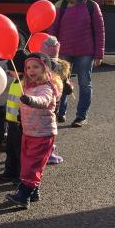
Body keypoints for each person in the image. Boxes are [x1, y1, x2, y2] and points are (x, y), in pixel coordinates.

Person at [48, 0, 105, 127]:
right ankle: (60, 113)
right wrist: (51, 51)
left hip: (85, 51)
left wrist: (99, 54)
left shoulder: (91, 6)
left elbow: (99, 31)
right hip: (64, 50)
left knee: (84, 83)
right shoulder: (61, 4)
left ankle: (81, 116)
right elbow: (53, 28)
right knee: (60, 82)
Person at [6, 52, 62, 209]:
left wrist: (30, 100)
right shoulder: (28, 86)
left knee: (33, 165)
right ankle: (34, 191)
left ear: (45, 69)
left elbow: (43, 101)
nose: (31, 70)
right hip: (28, 131)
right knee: (27, 163)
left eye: (36, 67)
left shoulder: (47, 87)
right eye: (29, 67)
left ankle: (23, 195)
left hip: (43, 133)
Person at [40, 35, 72, 165]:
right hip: (54, 104)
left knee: (39, 129)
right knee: (50, 129)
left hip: (40, 100)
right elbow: (67, 88)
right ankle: (49, 153)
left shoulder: (40, 63)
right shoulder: (61, 66)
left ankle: (40, 152)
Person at [0, 50, 27, 183]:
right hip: (11, 122)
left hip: (20, 124)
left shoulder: (25, 85)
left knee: (19, 151)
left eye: (11, 69)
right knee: (10, 150)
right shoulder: (15, 82)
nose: (9, 72)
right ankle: (10, 171)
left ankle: (21, 175)